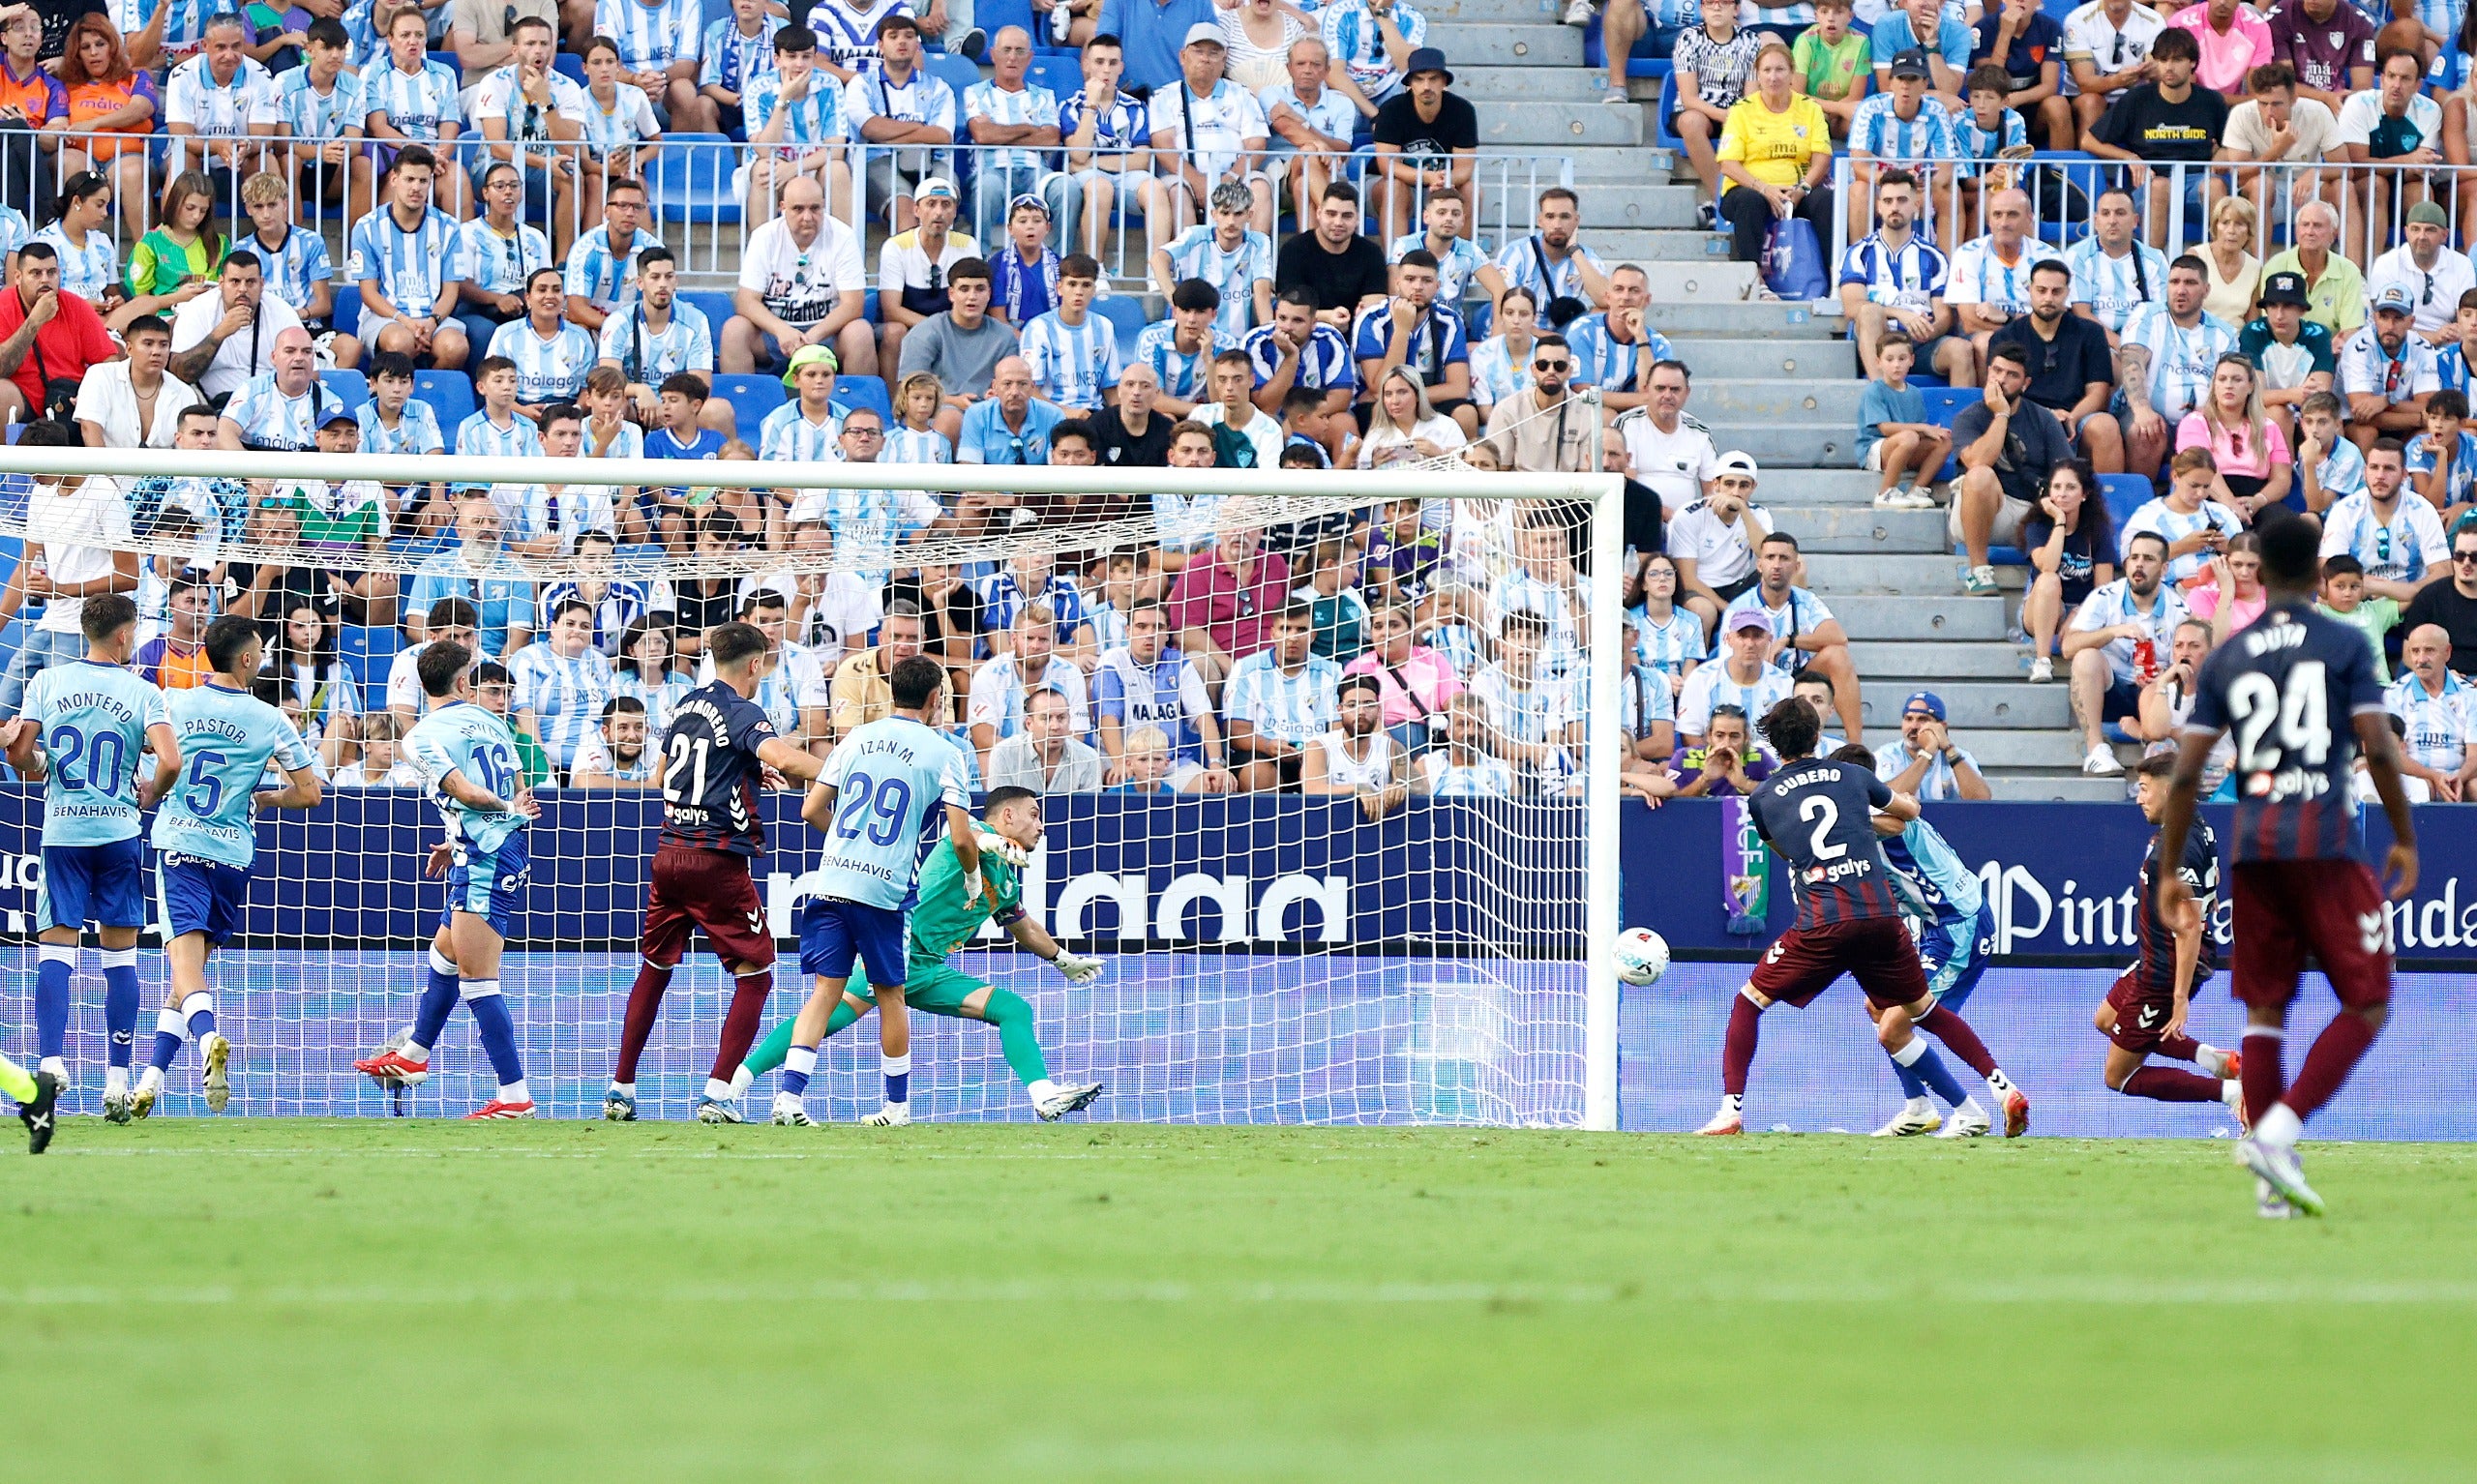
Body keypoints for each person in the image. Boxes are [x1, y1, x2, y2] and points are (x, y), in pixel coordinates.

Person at [2152, 511, 2416, 1216]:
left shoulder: (2230, 655)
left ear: (2260, 572)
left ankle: (2270, 1183)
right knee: (2367, 1001)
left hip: (2254, 845)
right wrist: (2404, 835)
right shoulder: (2344, 640)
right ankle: (2279, 1132)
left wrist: (2172, 867)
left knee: (2265, 1012)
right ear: (2320, 576)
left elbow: (2186, 774)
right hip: (2324, 840)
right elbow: (2379, 747)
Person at [1696, 696, 2032, 1138]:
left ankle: (1731, 1111)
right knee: (1905, 1011)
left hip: (1908, 921)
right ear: (1818, 734)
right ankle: (1967, 1096)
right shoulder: (1852, 780)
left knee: (1751, 1002)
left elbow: (1800, 846)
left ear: (1775, 747)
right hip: (1883, 919)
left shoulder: (1774, 798)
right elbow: (1904, 808)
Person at [732, 785, 1104, 1121]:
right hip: (900, 948)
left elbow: (1023, 927)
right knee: (827, 1015)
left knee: (1013, 1010)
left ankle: (1044, 1095)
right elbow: (969, 839)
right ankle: (734, 1084)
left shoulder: (1005, 879)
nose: (1041, 826)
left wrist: (1062, 959)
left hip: (929, 967)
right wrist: (994, 843)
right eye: (1035, 815)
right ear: (1008, 816)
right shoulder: (969, 835)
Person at [599, 619, 826, 1121]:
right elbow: (785, 756)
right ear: (754, 664)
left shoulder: (686, 705)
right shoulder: (745, 710)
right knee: (757, 976)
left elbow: (663, 778)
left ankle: (621, 1088)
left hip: (670, 852)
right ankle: (719, 1094)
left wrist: (743, 773)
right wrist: (845, 767)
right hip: (716, 858)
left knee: (655, 968)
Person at [767, 654, 979, 1127]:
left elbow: (810, 810)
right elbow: (962, 838)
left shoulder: (856, 737)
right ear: (933, 698)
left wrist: (848, 846)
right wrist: (971, 877)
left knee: (825, 991)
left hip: (832, 880)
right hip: (883, 891)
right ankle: (896, 1107)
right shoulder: (946, 751)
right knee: (891, 995)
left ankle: (789, 1098)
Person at [131, 613, 321, 1118]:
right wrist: (264, 798)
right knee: (185, 978)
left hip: (181, 846)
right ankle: (149, 1081)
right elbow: (311, 793)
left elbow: (148, 751)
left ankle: (210, 1038)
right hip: (234, 855)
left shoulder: (175, 703)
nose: (263, 657)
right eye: (260, 649)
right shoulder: (271, 719)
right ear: (245, 658)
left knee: (186, 972)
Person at [0, 594, 180, 1122]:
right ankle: (118, 1082)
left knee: (56, 950)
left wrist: (19, 751)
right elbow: (169, 760)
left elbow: (20, 756)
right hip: (119, 832)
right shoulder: (143, 690)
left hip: (63, 834)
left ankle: (51, 1062)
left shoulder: (46, 682)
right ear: (124, 637)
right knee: (119, 956)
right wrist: (150, 794)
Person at [349, 641, 542, 1119]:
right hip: (482, 849)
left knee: (479, 981)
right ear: (462, 683)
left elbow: (469, 792)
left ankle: (515, 1097)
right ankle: (414, 1056)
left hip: (486, 857)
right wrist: (460, 834)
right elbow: (518, 789)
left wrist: (498, 813)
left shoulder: (420, 736)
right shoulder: (494, 722)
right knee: (445, 954)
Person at [2088, 753, 2245, 1115]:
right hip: (2154, 957)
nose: (2139, 798)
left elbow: (2188, 928)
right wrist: (2208, 899)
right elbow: (2211, 878)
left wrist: (2179, 997)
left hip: (2165, 969)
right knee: (2106, 1019)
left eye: (2144, 789)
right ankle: (2211, 1058)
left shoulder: (2171, 852)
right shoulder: (2196, 825)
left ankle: (2233, 1094)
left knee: (2118, 1076)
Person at [1850, 776, 1999, 1137]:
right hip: (1936, 928)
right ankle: (1917, 1106)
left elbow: (1897, 820)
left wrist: (1847, 815)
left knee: (1894, 1026)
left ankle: (1970, 1112)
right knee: (1878, 1007)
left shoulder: (1878, 817)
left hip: (1959, 929)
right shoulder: (1878, 810)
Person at [1951, 343, 2075, 595]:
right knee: (1979, 475)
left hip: (2030, 511)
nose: (2002, 379)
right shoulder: (1968, 417)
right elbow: (1977, 461)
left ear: (2025, 383)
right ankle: (1978, 571)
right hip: (1982, 512)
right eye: (1997, 371)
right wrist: (2001, 416)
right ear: (1988, 372)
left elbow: (2067, 471)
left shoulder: (2043, 419)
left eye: (2012, 375)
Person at [2065, 528, 2188, 776]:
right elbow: (2068, 646)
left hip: (2156, 696)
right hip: (2114, 690)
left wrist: (2163, 677)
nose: (2139, 565)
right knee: (2085, 657)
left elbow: (2188, 664)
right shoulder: (2105, 597)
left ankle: (2155, 743)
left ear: (2164, 569)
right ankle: (2096, 751)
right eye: (2134, 558)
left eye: (2149, 559)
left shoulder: (2179, 609)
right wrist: (2113, 631)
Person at [724, 175, 873, 377]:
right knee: (734, 330)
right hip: (775, 332)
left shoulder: (843, 236)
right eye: (798, 209)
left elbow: (853, 305)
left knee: (860, 332)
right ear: (783, 207)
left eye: (815, 208)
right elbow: (746, 301)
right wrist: (781, 330)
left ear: (823, 206)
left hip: (826, 332)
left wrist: (813, 336)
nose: (807, 217)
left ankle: (858, 407)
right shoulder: (764, 236)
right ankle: (742, 404)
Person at [1837, 169, 1973, 386]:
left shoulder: (1933, 256)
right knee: (1870, 311)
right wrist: (1902, 314)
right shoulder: (1859, 252)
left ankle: (1960, 419)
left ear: (1916, 205)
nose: (1894, 207)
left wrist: (1929, 330)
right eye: (1888, 201)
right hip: (1879, 342)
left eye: (1902, 200)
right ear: (1879, 206)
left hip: (1920, 344)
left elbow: (1944, 315)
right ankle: (1881, 395)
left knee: (1961, 349)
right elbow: (1852, 307)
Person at [1716, 42, 1835, 270]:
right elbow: (1728, 165)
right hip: (1750, 189)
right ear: (1757, 75)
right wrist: (1764, 188)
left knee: (1825, 201)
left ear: (1792, 73)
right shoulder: (1742, 110)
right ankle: (1753, 277)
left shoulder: (1810, 109)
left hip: (1797, 189)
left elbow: (1822, 160)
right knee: (1749, 201)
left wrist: (1802, 190)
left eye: (1780, 70)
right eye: (1767, 70)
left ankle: (1833, 277)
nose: (1773, 77)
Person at [2334, 47, 2442, 264]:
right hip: (2366, 186)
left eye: (2405, 78)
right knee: (2377, 184)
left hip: (2406, 183)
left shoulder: (2431, 110)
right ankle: (2370, 271)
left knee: (2422, 191)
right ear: (2381, 80)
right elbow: (2356, 166)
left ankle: (2422, 269)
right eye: (2391, 76)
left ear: (2418, 85)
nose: (2396, 85)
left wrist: (2411, 166)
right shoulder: (2358, 104)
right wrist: (2406, 161)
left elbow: (2419, 170)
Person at [2019, 458, 2118, 681]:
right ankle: (2042, 661)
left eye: (2071, 487)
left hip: (2082, 609)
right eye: (2057, 487)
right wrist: (2059, 521)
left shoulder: (2097, 530)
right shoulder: (2037, 525)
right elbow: (2047, 565)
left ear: (2085, 494)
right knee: (2048, 580)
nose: (2062, 494)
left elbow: (2104, 589)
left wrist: (2081, 611)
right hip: (2040, 608)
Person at [2321, 437, 2448, 604]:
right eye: (2374, 468)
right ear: (2365, 472)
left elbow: (2444, 571)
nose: (2380, 476)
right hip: (2359, 602)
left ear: (2404, 474)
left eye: (2389, 469)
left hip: (2411, 602)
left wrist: (2405, 590)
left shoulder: (2423, 510)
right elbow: (2327, 571)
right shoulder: (2345, 511)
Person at [1670, 0, 1765, 223]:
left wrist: (1736, 115)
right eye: (1709, 2)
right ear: (1701, 9)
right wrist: (1722, 115)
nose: (1716, 7)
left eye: (1724, 2)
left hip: (1736, 111)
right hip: (1698, 109)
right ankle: (1722, 202)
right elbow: (1688, 98)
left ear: (1737, 9)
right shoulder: (1689, 38)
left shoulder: (1750, 41)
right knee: (1691, 122)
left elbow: (1750, 97)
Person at [2179, 352, 2293, 518]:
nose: (2228, 385)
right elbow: (2198, 467)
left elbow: (2282, 479)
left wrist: (2258, 501)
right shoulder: (2195, 422)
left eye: (2237, 379)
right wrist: (2232, 506)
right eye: (2222, 379)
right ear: (2214, 385)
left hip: (2257, 498)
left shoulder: (2269, 427)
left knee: (2285, 527)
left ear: (2250, 386)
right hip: (2208, 494)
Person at [1274, 180, 1389, 331]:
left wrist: (1364, 313)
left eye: (1347, 216)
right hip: (1305, 333)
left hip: (1356, 333)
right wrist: (1328, 317)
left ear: (1357, 219)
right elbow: (1288, 309)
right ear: (1319, 213)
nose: (1338, 222)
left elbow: (1375, 304)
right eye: (1331, 214)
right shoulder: (1294, 249)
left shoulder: (1371, 252)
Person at [2339, 283, 2440, 453]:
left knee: (2428, 434)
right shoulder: (2359, 346)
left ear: (2411, 322)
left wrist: (2386, 401)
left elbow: (2429, 406)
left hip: (2402, 421)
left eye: (2398, 318)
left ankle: (2410, 478)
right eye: (2383, 317)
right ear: (2374, 317)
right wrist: (2419, 419)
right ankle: (2369, 479)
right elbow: (2363, 414)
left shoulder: (2423, 348)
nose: (2390, 326)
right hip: (2353, 421)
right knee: (2366, 433)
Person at [2063, 187, 2169, 343]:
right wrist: (2121, 347)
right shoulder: (2077, 256)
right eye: (2106, 214)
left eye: (2120, 213)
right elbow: (2082, 313)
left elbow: (2161, 314)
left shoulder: (2155, 259)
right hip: (2094, 342)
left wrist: (2137, 349)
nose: (2112, 221)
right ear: (2096, 221)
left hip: (2144, 343)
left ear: (2135, 221)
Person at [75, 314, 195, 450]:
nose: (156, 352)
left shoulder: (184, 393)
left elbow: (190, 444)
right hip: (108, 468)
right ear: (129, 348)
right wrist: (105, 470)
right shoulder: (101, 375)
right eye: (148, 344)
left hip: (166, 470)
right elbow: (89, 428)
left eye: (163, 345)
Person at [2383, 622, 2474, 800]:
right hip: (2415, 777)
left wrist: (2458, 778)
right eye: (2415, 651)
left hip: (2459, 776)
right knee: (2421, 788)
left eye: (2429, 651)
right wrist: (2433, 776)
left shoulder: (2470, 694)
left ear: (2447, 652)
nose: (2421, 659)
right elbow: (2392, 753)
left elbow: (2475, 753)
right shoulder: (2394, 694)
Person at [2366, 201, 2476, 345]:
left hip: (2447, 343)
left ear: (2445, 235)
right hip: (2396, 343)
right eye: (2415, 229)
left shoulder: (2461, 264)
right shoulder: (2387, 263)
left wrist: (2455, 332)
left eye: (2430, 230)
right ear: (2406, 232)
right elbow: (2382, 323)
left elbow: (2466, 315)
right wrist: (2432, 337)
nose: (2422, 236)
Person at [1860, 336, 1949, 509]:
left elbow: (1917, 429)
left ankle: (1917, 490)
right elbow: (1885, 428)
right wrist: (1923, 428)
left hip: (1907, 445)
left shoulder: (1915, 393)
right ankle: (1886, 492)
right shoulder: (1874, 390)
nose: (1896, 365)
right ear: (1879, 362)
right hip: (1876, 450)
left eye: (1902, 359)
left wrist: (1932, 431)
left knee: (1944, 440)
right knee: (1909, 437)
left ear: (1912, 360)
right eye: (1889, 359)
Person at [2261, 0, 2374, 115]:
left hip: (2336, 108)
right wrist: (2324, 98)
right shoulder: (2279, 17)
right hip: (2292, 106)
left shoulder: (2360, 22)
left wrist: (2348, 100)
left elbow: (2363, 87)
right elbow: (2283, 84)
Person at [1876, 688, 1991, 799]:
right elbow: (1887, 802)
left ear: (1942, 727)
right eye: (1908, 719)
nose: (1914, 726)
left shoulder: (1960, 757)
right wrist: (1928, 752)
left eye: (1923, 719)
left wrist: (1948, 749)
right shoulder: (1886, 755)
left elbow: (1981, 800)